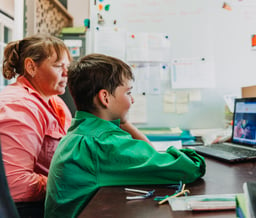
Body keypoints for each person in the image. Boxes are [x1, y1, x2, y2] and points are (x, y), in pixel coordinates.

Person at [44, 54, 206, 217]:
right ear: (105, 98)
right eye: (128, 92)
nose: (133, 100)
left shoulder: (82, 131)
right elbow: (187, 168)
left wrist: (123, 122)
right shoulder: (103, 143)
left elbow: (151, 157)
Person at [0, 34, 73, 203]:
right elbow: (16, 184)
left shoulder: (55, 101)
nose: (66, 73)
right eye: (58, 66)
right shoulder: (18, 106)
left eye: (67, 66)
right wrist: (68, 183)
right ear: (31, 67)